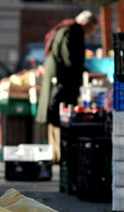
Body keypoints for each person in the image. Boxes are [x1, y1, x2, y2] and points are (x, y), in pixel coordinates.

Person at [35, 10, 99, 162]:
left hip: (57, 79)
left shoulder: (66, 28)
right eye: (91, 30)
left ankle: (55, 153)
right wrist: (85, 70)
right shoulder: (73, 31)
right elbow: (69, 60)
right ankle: (59, 154)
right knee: (59, 117)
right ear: (86, 24)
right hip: (62, 82)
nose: (90, 34)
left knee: (55, 117)